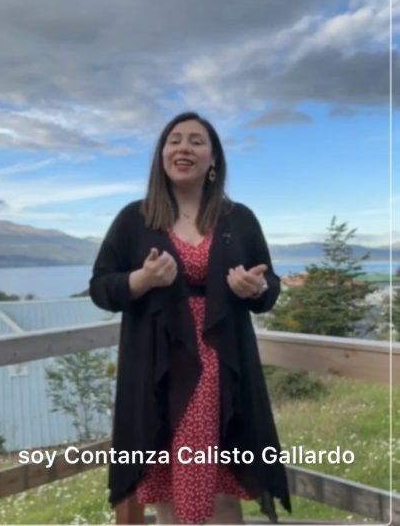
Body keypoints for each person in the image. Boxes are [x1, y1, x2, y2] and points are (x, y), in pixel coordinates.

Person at [89, 111, 291, 524]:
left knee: (224, 475)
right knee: (166, 477)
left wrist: (256, 287)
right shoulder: (134, 218)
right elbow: (100, 287)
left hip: (223, 361)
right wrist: (141, 280)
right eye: (174, 140)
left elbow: (269, 285)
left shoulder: (239, 218)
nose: (184, 148)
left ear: (213, 158)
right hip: (159, 364)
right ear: (162, 154)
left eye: (197, 141)